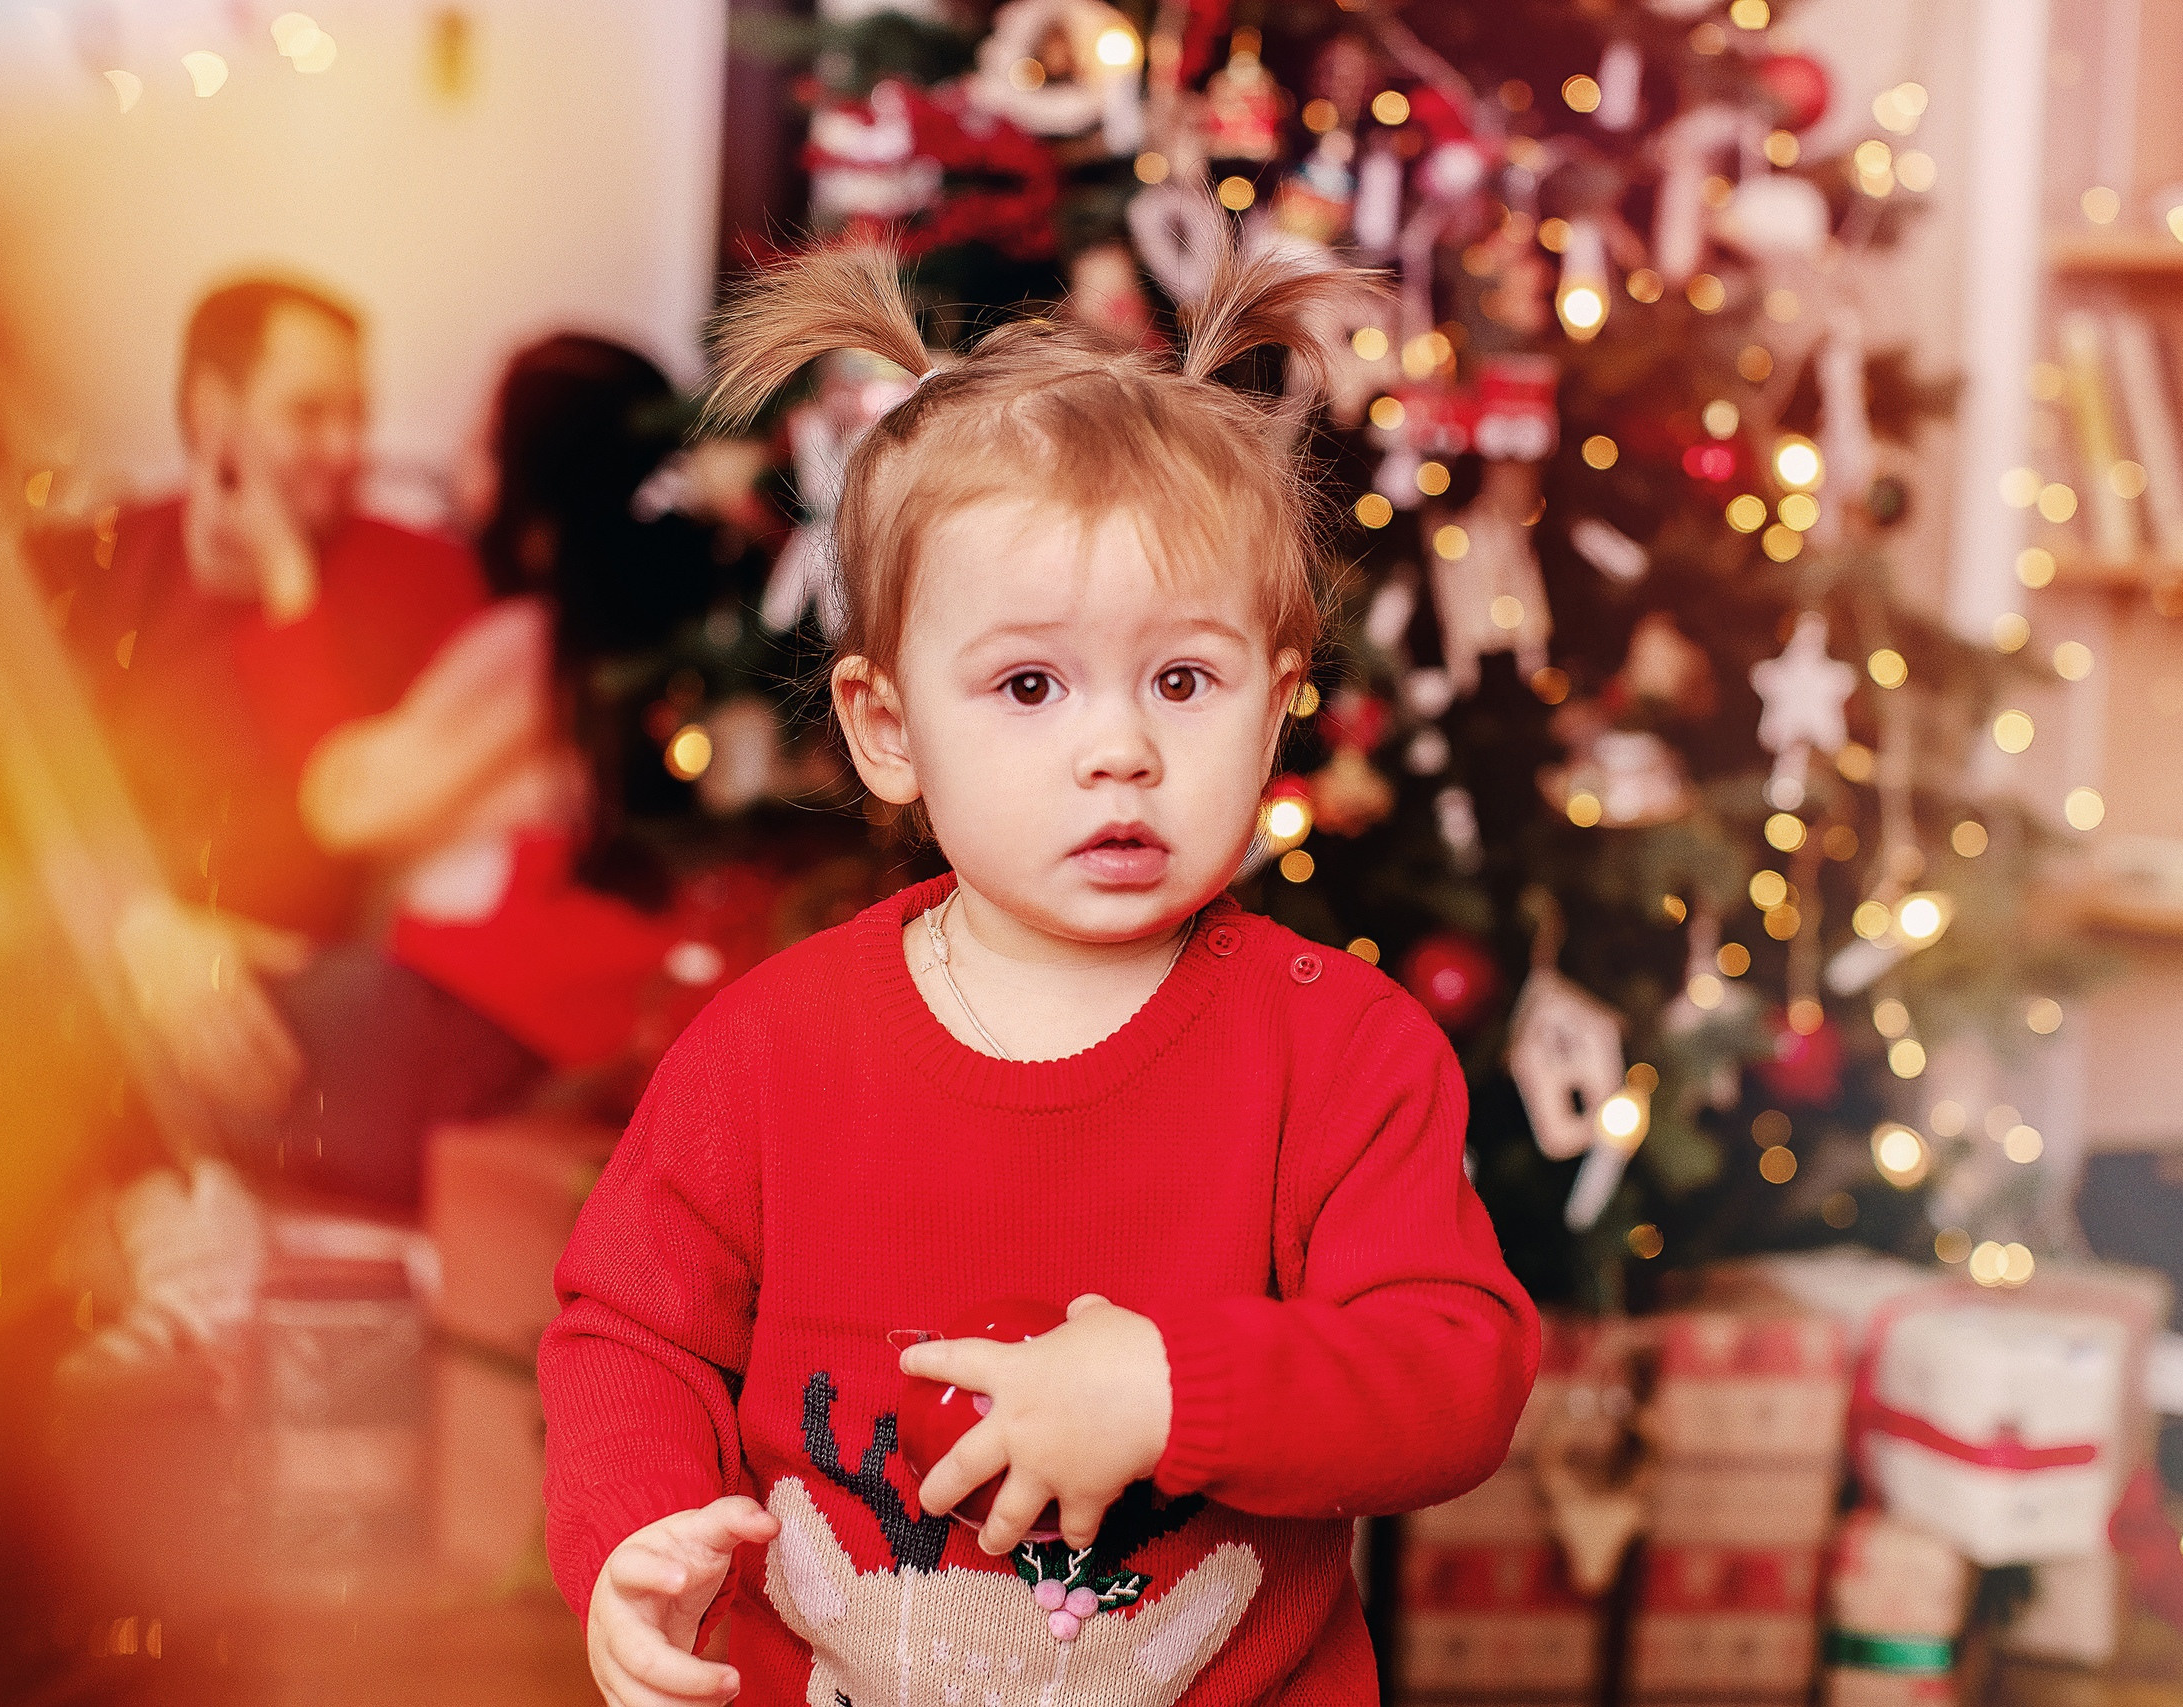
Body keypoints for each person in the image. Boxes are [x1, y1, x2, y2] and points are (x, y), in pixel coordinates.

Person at [538, 242, 1540, 1707]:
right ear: (886, 726)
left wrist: (1176, 1392)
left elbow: (1457, 1369)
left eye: (1183, 681)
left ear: (1277, 707)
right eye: (1028, 685)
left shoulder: (1341, 1050)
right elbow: (633, 1331)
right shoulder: (771, 1047)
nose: (1116, 747)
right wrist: (633, 1536)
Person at [48, 276, 484, 1351]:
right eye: (309, 412)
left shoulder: (419, 578)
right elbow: (19, 793)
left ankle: (152, 1242)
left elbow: (364, 820)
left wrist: (293, 586)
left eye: (357, 413)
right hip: (100, 964)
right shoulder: (95, 564)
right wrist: (137, 930)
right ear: (211, 415)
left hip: (292, 999)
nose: (347, 446)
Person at [276, 335, 754, 1208]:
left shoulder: (537, 648)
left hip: (466, 1037)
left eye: (481, 440)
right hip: (545, 1044)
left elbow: (345, 809)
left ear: (532, 482)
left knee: (149, 1006)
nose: (458, 459)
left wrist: (288, 591)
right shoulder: (670, 655)